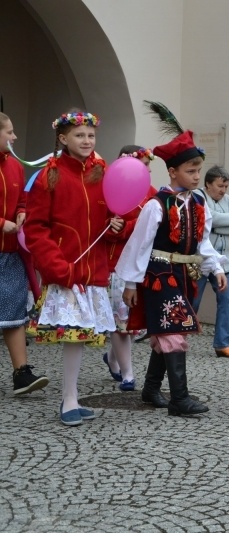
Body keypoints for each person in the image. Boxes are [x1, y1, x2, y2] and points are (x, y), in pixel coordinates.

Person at [117, 107, 226, 417]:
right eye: (191, 171)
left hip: (185, 273)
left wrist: (215, 267)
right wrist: (130, 283)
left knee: (169, 330)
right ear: (173, 172)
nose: (196, 177)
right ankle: (179, 398)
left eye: (198, 171)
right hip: (160, 274)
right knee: (173, 331)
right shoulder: (157, 205)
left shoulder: (199, 202)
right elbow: (139, 245)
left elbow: (203, 240)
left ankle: (152, 388)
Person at [25, 110, 123, 426]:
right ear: (63, 138)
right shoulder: (49, 176)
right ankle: (68, 398)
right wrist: (57, 267)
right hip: (66, 269)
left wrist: (115, 227)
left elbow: (107, 221)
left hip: (92, 271)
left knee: (79, 338)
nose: (86, 140)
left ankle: (72, 396)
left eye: (91, 135)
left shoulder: (101, 174)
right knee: (74, 336)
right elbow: (36, 228)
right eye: (79, 135)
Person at [0, 112, 49, 395]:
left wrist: (20, 212)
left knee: (15, 312)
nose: (15, 137)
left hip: (10, 253)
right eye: (9, 132)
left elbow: (22, 199)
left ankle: (22, 374)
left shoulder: (15, 166)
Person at [103, 145, 157, 391]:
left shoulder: (152, 193)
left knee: (133, 322)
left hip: (143, 265)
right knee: (121, 320)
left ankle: (112, 358)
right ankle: (128, 375)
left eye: (148, 166)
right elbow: (101, 227)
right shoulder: (108, 189)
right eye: (143, 166)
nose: (147, 171)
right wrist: (112, 226)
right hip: (118, 266)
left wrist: (132, 225)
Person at [191, 165, 229, 359]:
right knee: (192, 301)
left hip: (225, 262)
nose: (223, 190)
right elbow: (207, 218)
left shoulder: (228, 200)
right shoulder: (198, 196)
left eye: (226, 186)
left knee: (226, 301)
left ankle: (222, 344)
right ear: (208, 184)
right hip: (201, 261)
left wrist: (215, 225)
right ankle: (178, 335)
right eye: (220, 186)